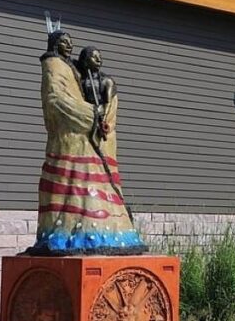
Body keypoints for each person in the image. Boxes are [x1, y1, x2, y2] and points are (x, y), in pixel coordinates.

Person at [30, 32, 147, 255]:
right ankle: (72, 233)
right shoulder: (54, 66)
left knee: (98, 186)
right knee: (74, 188)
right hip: (72, 141)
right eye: (64, 43)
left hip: (93, 140)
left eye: (71, 44)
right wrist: (92, 114)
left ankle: (105, 231)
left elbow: (104, 100)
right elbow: (57, 100)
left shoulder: (90, 75)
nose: (69, 47)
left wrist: (102, 113)